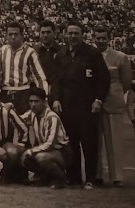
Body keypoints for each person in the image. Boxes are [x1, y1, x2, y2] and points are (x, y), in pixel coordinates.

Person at [50, 21, 110, 189]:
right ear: (65, 35)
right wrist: (55, 99)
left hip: (87, 105)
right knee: (70, 143)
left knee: (89, 143)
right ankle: (73, 177)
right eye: (70, 33)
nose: (73, 36)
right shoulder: (62, 54)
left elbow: (103, 79)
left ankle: (91, 177)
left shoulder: (92, 53)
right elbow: (56, 81)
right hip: (67, 105)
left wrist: (99, 99)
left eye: (77, 33)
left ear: (83, 35)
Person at [93, 26, 132, 187]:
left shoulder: (120, 57)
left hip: (113, 101)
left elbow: (126, 82)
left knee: (114, 140)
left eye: (103, 38)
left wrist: (116, 94)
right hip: (94, 102)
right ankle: (97, 175)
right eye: (98, 38)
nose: (100, 40)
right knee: (95, 141)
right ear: (93, 38)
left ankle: (117, 177)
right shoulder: (90, 55)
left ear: (109, 39)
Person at [21, 87, 71, 189]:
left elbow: (50, 144)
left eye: (36, 101)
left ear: (44, 102)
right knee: (25, 159)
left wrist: (30, 151)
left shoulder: (52, 117)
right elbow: (18, 119)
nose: (33, 104)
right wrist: (7, 108)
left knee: (40, 157)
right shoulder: (32, 114)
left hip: (62, 151)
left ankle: (60, 179)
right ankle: (45, 178)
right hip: (47, 150)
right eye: (31, 101)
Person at [0, 21, 48, 114]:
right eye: (10, 34)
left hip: (23, 93)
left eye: (16, 34)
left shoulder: (30, 52)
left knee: (23, 123)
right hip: (5, 93)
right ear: (6, 36)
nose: (13, 37)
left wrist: (43, 97)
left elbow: (39, 77)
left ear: (22, 35)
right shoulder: (2, 51)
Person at [33, 20, 61, 94]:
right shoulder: (34, 52)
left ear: (54, 33)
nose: (45, 35)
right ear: (39, 34)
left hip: (58, 89)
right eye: (43, 32)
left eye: (48, 32)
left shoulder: (62, 51)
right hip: (39, 89)